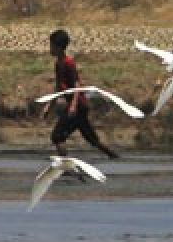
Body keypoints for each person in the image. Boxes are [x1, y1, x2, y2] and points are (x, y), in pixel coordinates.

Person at [40, 29, 120, 159]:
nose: (50, 48)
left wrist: (73, 106)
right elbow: (58, 87)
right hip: (78, 107)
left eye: (51, 45)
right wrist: (49, 105)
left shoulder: (68, 63)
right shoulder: (58, 64)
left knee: (57, 136)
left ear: (59, 47)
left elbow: (77, 84)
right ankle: (115, 158)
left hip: (78, 107)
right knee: (92, 140)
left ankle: (66, 167)